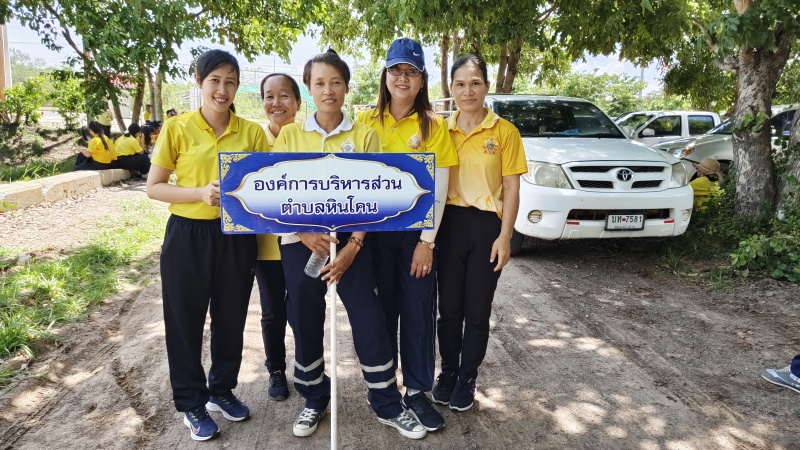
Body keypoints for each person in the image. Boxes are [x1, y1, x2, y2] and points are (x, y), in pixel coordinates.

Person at [272, 49, 426, 440]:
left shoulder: (364, 135)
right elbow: (274, 194)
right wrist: (305, 235)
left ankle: (386, 401)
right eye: (320, 83)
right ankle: (314, 397)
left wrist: (354, 246)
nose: (328, 91)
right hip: (301, 243)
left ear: (346, 87)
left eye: (336, 82)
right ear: (308, 89)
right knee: (305, 318)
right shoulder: (290, 135)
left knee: (369, 317)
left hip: (353, 244)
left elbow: (376, 196)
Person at [146, 49, 269, 442]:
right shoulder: (177, 128)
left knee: (231, 319)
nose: (222, 89)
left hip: (236, 237)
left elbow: (266, 185)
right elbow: (154, 187)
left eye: (230, 82)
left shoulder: (251, 132)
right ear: (199, 82)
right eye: (215, 80)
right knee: (185, 321)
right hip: (187, 236)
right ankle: (191, 403)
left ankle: (221, 390)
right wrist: (199, 193)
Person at [356, 37, 457, 432]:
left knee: (417, 312)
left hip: (416, 237)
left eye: (411, 71)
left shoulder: (434, 126)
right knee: (380, 314)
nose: (403, 78)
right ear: (385, 76)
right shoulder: (364, 122)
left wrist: (427, 242)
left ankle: (416, 391)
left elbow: (440, 188)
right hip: (373, 236)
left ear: (422, 80)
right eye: (396, 70)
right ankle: (383, 390)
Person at [431, 53, 527, 412]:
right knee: (448, 308)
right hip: (448, 224)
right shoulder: (440, 130)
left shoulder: (505, 132)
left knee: (477, 308)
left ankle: (467, 377)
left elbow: (512, 187)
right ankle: (448, 372)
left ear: (486, 86)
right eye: (460, 84)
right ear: (451, 88)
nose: (467, 91)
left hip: (487, 226)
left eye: (475, 83)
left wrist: (506, 236)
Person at [255, 73, 302, 401]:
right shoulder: (253, 140)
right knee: (273, 311)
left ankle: (308, 367)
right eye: (269, 96)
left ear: (298, 102)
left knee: (303, 310)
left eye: (284, 96)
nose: (277, 103)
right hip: (267, 246)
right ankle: (275, 369)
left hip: (304, 244)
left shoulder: (309, 139)